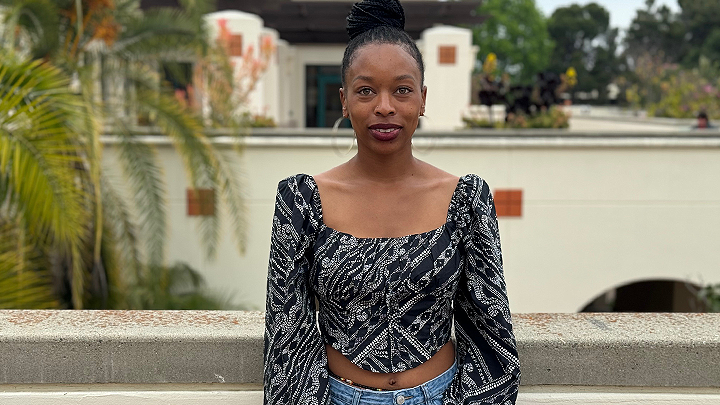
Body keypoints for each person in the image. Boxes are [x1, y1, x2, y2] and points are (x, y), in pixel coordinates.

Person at [263, 1, 520, 404]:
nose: (385, 106)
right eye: (366, 90)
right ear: (345, 100)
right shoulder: (301, 201)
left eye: (401, 89)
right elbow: (287, 333)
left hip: (442, 396)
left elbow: (491, 335)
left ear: (422, 98)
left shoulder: (466, 199)